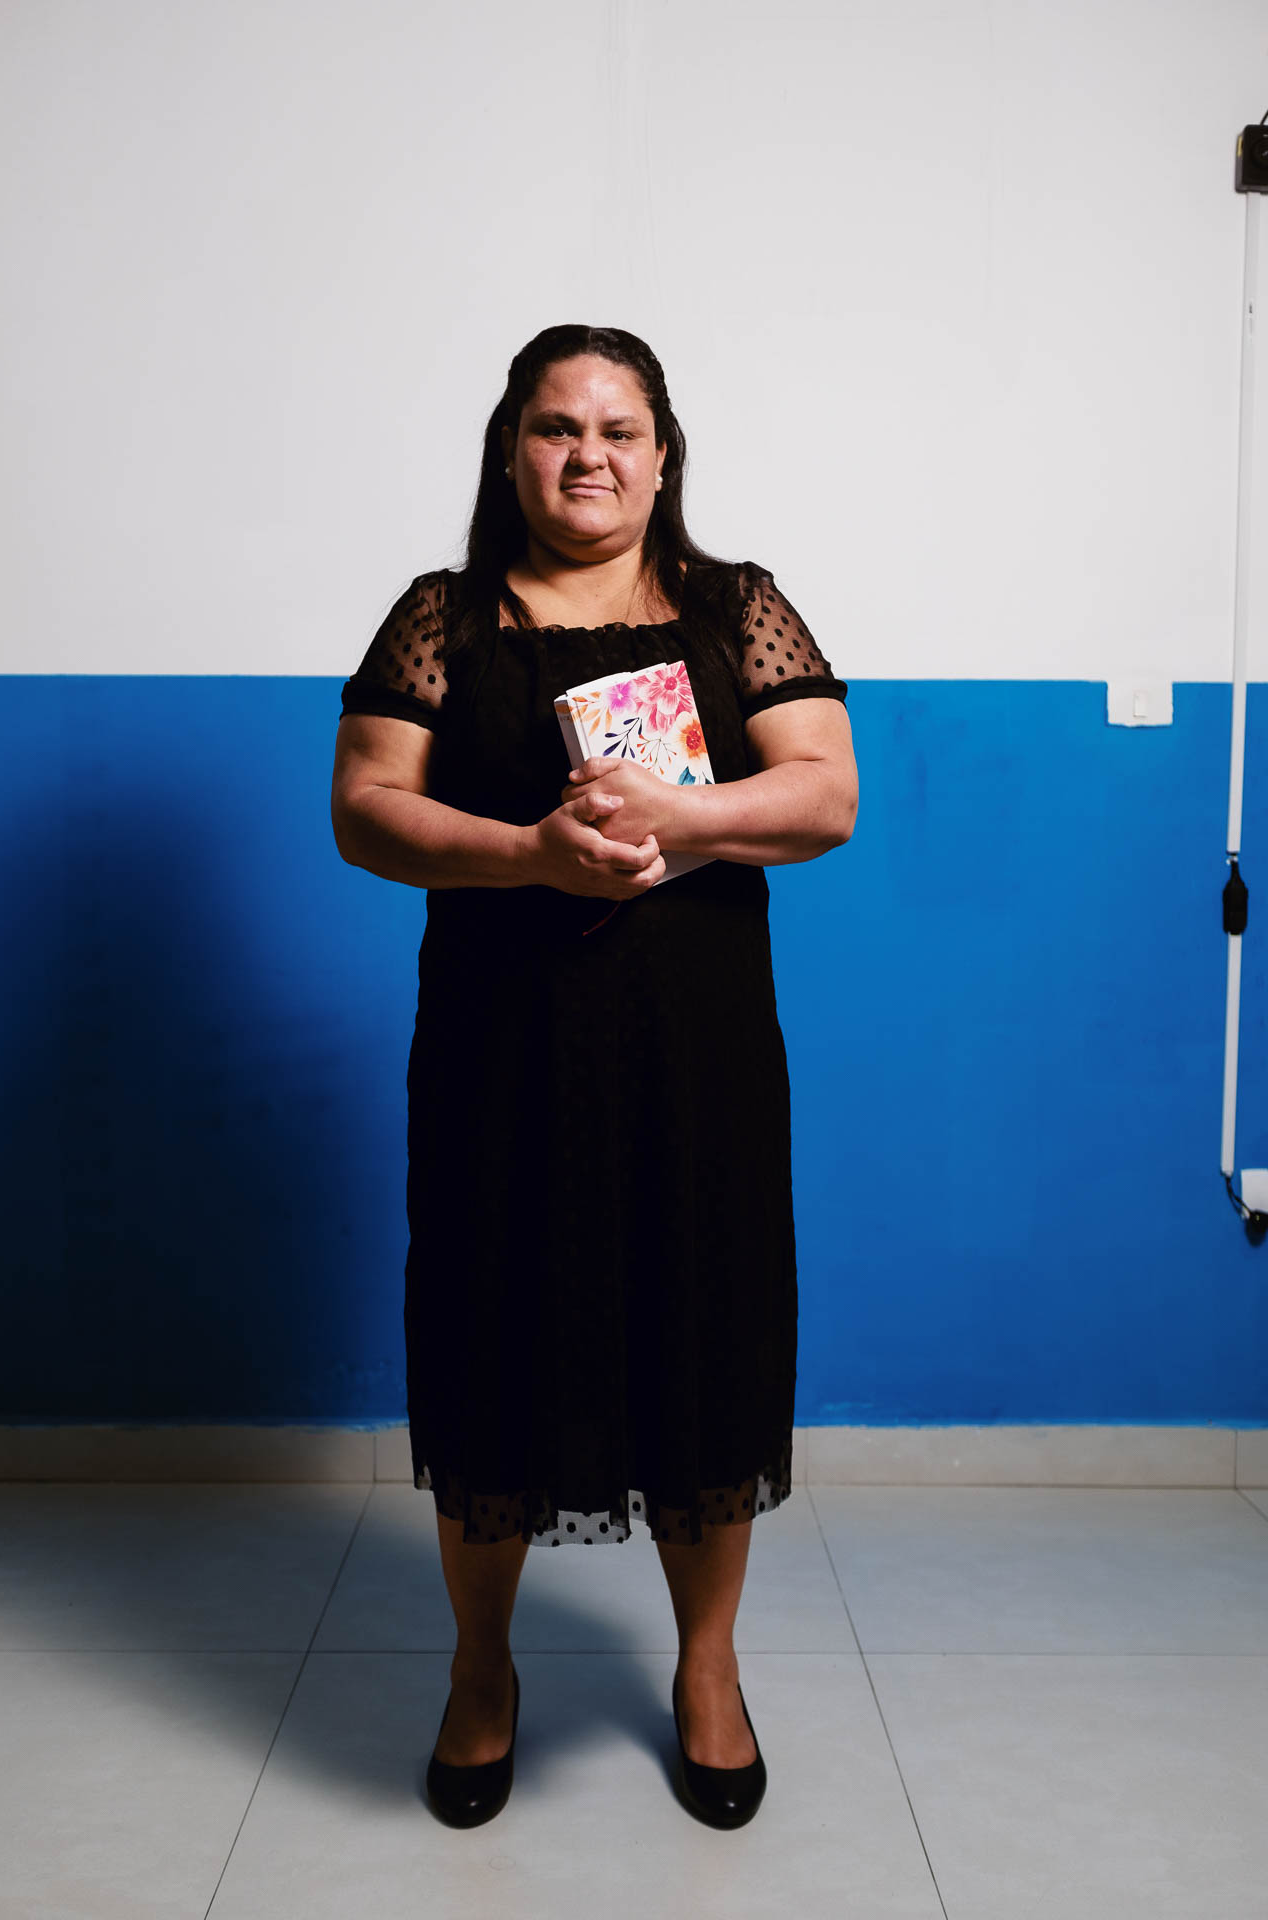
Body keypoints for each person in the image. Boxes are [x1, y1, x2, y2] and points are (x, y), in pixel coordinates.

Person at [331, 324, 858, 1829]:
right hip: (501, 1053)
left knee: (708, 1331)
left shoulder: (734, 607)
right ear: (512, 451)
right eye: (558, 428)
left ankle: (708, 1670)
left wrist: (682, 817)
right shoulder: (445, 617)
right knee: (491, 1335)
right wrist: (528, 853)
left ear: (663, 456)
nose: (589, 457)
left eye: (620, 431)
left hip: (698, 1060)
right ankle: (481, 1670)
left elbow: (827, 794)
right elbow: (364, 808)